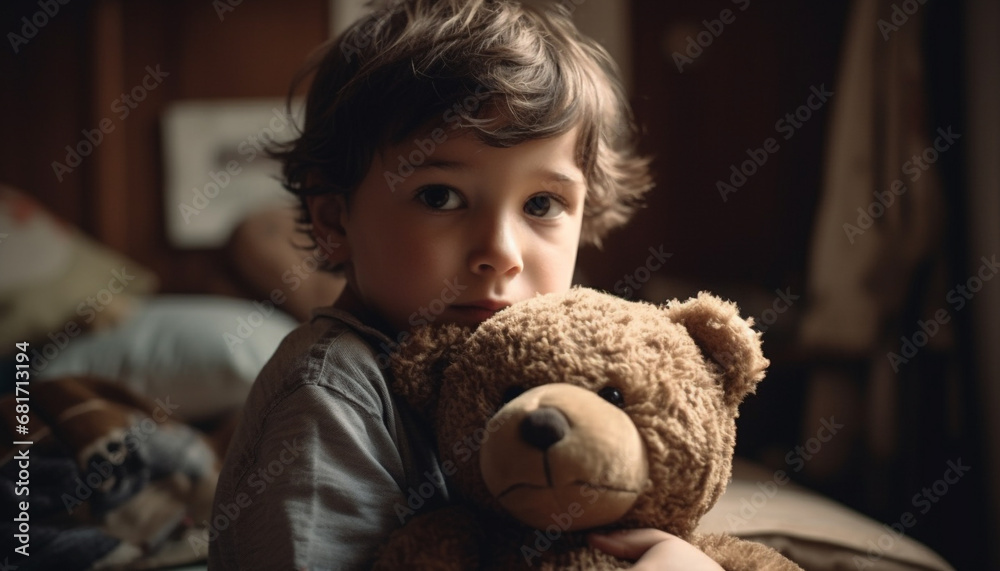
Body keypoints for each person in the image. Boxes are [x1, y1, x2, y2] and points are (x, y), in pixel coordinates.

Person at [208, 1, 722, 569]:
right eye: (439, 196)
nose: (501, 254)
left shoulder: (542, 376)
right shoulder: (332, 393)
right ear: (335, 220)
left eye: (542, 203)